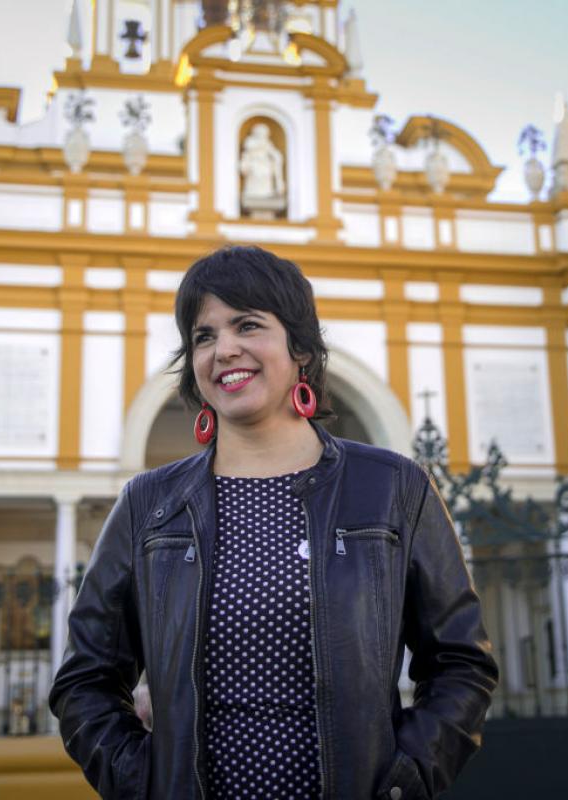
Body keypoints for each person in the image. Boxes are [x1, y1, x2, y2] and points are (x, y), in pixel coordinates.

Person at [50, 245, 497, 799]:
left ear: (302, 348)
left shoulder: (393, 488)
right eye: (204, 336)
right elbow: (84, 681)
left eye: (248, 325)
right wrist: (145, 784)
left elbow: (461, 663)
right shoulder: (148, 504)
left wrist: (402, 783)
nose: (224, 350)